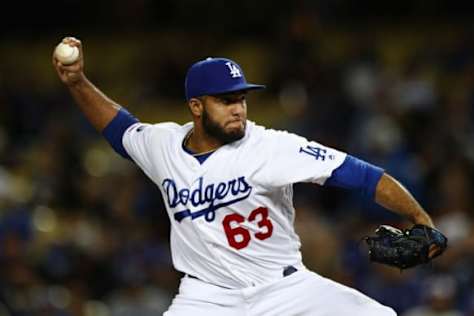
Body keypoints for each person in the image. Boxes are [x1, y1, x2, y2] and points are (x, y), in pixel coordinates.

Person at [52, 36, 444, 316]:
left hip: (285, 288)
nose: (238, 108)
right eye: (225, 100)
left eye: (241, 97)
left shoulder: (271, 146)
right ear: (196, 106)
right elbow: (120, 131)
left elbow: (362, 176)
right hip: (207, 298)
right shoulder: (164, 146)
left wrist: (421, 220)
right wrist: (78, 83)